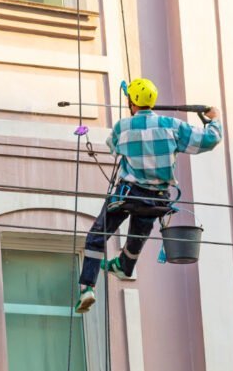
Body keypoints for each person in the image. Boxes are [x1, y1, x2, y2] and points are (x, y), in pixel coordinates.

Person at [75, 78, 222, 313]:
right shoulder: (172, 126)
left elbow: (112, 147)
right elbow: (209, 139)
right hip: (157, 198)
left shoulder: (123, 127)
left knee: (97, 235)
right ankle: (124, 266)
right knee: (139, 231)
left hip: (129, 194)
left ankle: (87, 287)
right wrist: (214, 119)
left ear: (132, 101)